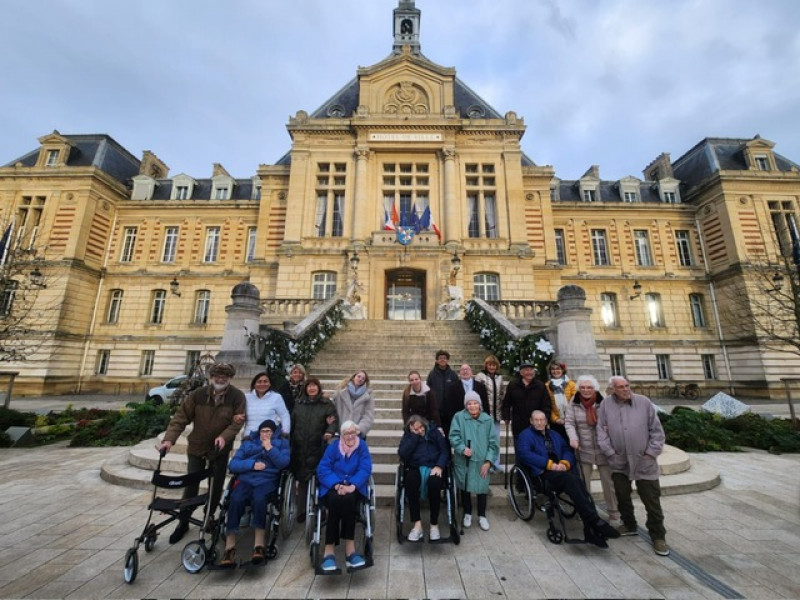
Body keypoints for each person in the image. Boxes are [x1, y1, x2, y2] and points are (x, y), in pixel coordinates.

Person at [158, 362, 246, 544]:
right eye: (217, 376)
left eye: (224, 376)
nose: (220, 379)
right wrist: (169, 440)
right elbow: (180, 418)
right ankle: (183, 520)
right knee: (191, 483)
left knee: (216, 484)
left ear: (229, 378)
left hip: (220, 449)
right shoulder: (197, 395)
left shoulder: (237, 396)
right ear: (211, 377)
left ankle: (209, 516)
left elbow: (237, 422)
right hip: (197, 446)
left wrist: (224, 437)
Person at [517, 410, 620, 548]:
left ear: (547, 421)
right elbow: (525, 454)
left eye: (542, 419)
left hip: (561, 471)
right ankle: (595, 522)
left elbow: (566, 449)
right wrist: (549, 465)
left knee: (578, 483)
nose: (540, 422)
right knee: (571, 480)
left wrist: (565, 463)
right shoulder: (525, 435)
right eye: (536, 420)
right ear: (531, 421)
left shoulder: (554, 434)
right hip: (543, 474)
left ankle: (590, 529)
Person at [597, 376, 669, 556]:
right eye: (620, 387)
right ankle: (629, 524)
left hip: (644, 461)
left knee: (651, 499)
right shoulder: (606, 405)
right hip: (619, 461)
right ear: (613, 389)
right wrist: (610, 453)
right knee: (622, 494)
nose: (625, 389)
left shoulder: (644, 402)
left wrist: (650, 454)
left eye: (627, 386)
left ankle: (658, 535)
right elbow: (601, 430)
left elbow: (657, 431)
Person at [220, 419, 290, 566]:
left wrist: (270, 448)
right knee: (236, 498)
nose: (265, 434)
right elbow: (233, 464)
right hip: (247, 479)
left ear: (274, 433)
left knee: (259, 499)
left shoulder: (282, 443)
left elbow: (284, 463)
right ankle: (230, 546)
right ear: (259, 432)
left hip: (267, 480)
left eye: (269, 431)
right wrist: (251, 464)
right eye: (263, 431)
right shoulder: (248, 444)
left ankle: (259, 545)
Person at [316, 420, 373, 572]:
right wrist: (336, 485)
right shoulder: (333, 447)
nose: (350, 436)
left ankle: (350, 550)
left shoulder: (362, 447)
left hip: (354, 487)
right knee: (334, 500)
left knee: (348, 500)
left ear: (357, 433)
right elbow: (323, 469)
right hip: (333, 486)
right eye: (347, 433)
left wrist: (352, 485)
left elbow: (365, 468)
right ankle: (329, 551)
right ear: (341, 435)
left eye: (353, 433)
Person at [564, 374, 619, 524]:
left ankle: (613, 511)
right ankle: (585, 510)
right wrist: (573, 438)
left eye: (589, 387)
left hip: (603, 448)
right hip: (583, 447)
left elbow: (613, 421)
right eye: (582, 387)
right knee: (583, 483)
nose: (586, 390)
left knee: (609, 482)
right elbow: (569, 422)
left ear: (594, 388)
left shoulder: (604, 402)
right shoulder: (574, 402)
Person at [449, 390, 499, 531]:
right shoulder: (459, 417)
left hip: (482, 460)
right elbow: (453, 436)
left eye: (475, 403)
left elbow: (493, 444)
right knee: (465, 487)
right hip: (464, 460)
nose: (472, 406)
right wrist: (462, 448)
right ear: (466, 405)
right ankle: (467, 513)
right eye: (469, 403)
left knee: (482, 487)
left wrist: (489, 461)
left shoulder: (487, 420)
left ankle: (482, 515)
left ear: (480, 405)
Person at [290, 377, 338, 523]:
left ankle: (320, 508)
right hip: (300, 445)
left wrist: (329, 431)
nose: (311, 388)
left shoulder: (326, 404)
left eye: (314, 386)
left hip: (318, 445)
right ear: (305, 388)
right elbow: (293, 422)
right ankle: (302, 510)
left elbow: (333, 420)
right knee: (303, 478)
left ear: (318, 388)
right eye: (309, 386)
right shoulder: (299, 404)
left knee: (319, 477)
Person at [397, 414, 449, 541]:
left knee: (435, 483)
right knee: (410, 481)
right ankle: (417, 525)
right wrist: (414, 437)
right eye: (416, 429)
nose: (420, 430)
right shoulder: (409, 437)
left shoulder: (434, 432)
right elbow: (402, 454)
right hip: (415, 467)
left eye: (421, 427)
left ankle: (434, 525)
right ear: (411, 429)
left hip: (433, 466)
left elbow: (445, 451)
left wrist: (439, 466)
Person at [502, 359, 551, 444]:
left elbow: (546, 404)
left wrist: (545, 419)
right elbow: (506, 402)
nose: (529, 372)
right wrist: (506, 416)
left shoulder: (540, 386)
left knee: (537, 446)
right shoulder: (513, 385)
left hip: (537, 422)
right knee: (520, 446)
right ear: (521, 373)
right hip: (518, 422)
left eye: (531, 370)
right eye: (526, 370)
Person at [474, 355, 504, 470]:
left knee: (495, 439)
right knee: (484, 439)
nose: (492, 367)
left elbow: (501, 394)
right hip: (484, 413)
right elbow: (477, 395)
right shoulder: (480, 377)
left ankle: (495, 462)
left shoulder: (499, 378)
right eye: (490, 365)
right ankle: (485, 463)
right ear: (486, 365)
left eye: (494, 365)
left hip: (497, 413)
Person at [242, 371, 291, 438]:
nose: (262, 384)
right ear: (254, 384)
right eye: (259, 381)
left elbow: (284, 415)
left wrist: (285, 432)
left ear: (270, 384)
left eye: (265, 381)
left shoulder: (276, 397)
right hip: (249, 437)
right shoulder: (246, 397)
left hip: (270, 437)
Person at [444, 364, 489, 436]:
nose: (465, 371)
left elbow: (485, 405)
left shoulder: (481, 386)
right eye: (463, 370)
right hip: (461, 422)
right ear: (459, 373)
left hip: (477, 420)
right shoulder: (452, 387)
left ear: (471, 372)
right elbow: (450, 407)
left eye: (467, 369)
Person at [333, 370, 375, 439]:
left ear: (365, 381)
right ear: (353, 377)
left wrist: (359, 429)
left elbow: (368, 415)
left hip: (358, 433)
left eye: (363, 378)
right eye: (359, 376)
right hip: (342, 432)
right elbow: (333, 409)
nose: (360, 379)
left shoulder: (368, 395)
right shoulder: (340, 392)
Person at [426, 350, 459, 431]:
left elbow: (457, 391)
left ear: (447, 360)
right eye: (440, 358)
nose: (442, 360)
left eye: (444, 358)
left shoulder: (453, 374)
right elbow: (428, 391)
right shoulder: (432, 374)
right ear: (437, 360)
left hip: (450, 410)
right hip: (436, 410)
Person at [545, 361, 575, 438]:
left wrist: (569, 418)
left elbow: (575, 402)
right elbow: (546, 405)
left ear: (563, 370)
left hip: (571, 421)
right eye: (553, 369)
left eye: (558, 368)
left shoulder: (571, 384)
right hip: (556, 422)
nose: (555, 371)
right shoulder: (547, 386)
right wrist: (556, 419)